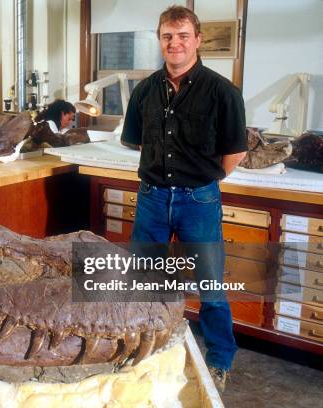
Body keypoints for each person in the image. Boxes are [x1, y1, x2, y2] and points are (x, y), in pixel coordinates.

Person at [120, 5, 247, 393]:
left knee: (210, 287)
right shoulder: (144, 91)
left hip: (199, 201)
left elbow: (235, 152)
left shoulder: (223, 92)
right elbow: (138, 139)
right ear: (160, 41)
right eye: (167, 36)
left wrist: (203, 185)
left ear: (197, 40)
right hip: (153, 198)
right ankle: (145, 352)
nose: (174, 43)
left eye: (182, 35)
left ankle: (219, 360)